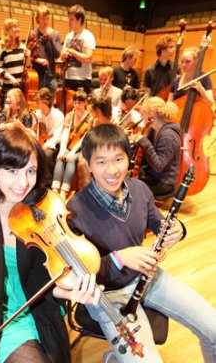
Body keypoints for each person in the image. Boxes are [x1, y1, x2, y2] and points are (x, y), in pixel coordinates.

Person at [0, 128, 100, 363]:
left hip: (39, 311)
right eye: (12, 170)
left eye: (31, 171)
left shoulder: (41, 219)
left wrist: (70, 291)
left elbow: (40, 286)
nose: (23, 182)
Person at [67, 123, 216, 363]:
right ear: (88, 164)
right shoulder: (75, 210)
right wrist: (120, 258)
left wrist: (177, 230)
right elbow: (81, 274)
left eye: (119, 159)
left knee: (214, 330)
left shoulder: (140, 189)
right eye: (101, 162)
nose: (112, 170)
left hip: (147, 276)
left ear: (129, 158)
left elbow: (159, 224)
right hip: (108, 295)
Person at [136, 97, 181, 197]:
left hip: (163, 183)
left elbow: (158, 166)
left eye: (143, 113)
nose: (141, 116)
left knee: (128, 185)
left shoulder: (169, 136)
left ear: (151, 116)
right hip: (154, 176)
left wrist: (144, 142)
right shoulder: (154, 130)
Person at [51, 89, 91, 200]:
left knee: (72, 159)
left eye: (80, 103)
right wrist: (62, 150)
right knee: (60, 158)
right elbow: (65, 133)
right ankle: (55, 188)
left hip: (81, 149)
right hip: (69, 146)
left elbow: (84, 138)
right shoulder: (69, 115)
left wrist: (73, 151)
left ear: (85, 103)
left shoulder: (89, 117)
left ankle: (64, 190)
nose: (77, 105)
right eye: (75, 102)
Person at [0, 18, 31, 109]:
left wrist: (29, 56)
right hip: (8, 88)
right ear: (7, 30)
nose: (17, 29)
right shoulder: (2, 48)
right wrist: (11, 78)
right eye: (14, 27)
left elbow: (27, 66)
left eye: (18, 27)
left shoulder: (22, 46)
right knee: (6, 115)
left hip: (21, 88)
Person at [61, 4, 96, 94]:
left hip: (81, 80)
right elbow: (63, 54)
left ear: (79, 20)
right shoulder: (68, 36)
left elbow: (88, 58)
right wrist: (63, 55)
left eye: (71, 19)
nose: (68, 22)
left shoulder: (88, 36)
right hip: (67, 78)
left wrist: (72, 51)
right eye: (68, 18)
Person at [29, 5, 61, 95]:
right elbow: (29, 56)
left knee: (50, 105)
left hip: (51, 75)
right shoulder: (32, 34)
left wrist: (50, 38)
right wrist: (38, 60)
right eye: (43, 18)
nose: (45, 21)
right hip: (36, 75)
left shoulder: (56, 34)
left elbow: (57, 54)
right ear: (38, 19)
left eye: (47, 18)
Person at [35, 87, 64, 181]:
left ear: (45, 102)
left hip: (54, 144)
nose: (36, 104)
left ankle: (48, 181)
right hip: (41, 142)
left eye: (38, 102)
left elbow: (57, 136)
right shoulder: (37, 114)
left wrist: (46, 145)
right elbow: (34, 130)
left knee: (47, 154)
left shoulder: (58, 115)